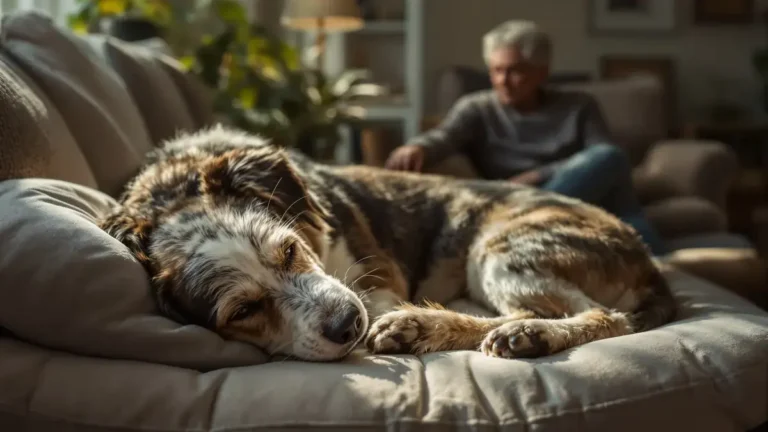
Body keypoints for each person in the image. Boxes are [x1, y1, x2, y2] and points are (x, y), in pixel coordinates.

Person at [384, 20, 667, 256]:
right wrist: (417, 147)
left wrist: (536, 176)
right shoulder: (477, 107)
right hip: (515, 199)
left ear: (542, 72)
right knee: (615, 173)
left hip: (577, 198)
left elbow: (604, 158)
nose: (503, 81)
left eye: (515, 71)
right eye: (496, 70)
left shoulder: (579, 105)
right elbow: (444, 136)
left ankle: (659, 267)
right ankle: (529, 217)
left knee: (611, 160)